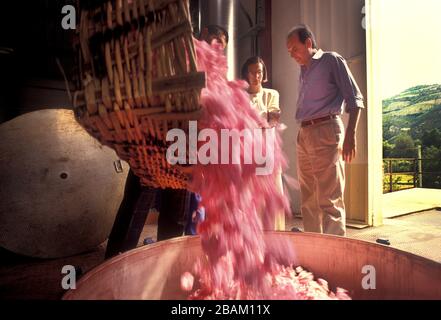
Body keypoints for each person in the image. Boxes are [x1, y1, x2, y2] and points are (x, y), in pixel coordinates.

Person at [286, 24, 364, 236]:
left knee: (329, 198)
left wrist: (351, 136)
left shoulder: (331, 60)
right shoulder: (303, 70)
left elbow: (355, 99)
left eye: (294, 48)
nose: (291, 54)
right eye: (289, 51)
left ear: (308, 43)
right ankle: (315, 251)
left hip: (326, 130)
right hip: (304, 133)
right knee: (308, 198)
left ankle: (335, 256)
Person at [241, 56, 285, 231]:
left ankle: (273, 237)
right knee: (249, 197)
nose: (256, 75)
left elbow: (272, 121)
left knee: (270, 196)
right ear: (246, 73)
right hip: (245, 153)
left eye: (259, 71)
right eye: (252, 72)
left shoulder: (272, 94)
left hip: (267, 151)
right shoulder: (239, 96)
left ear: (263, 73)